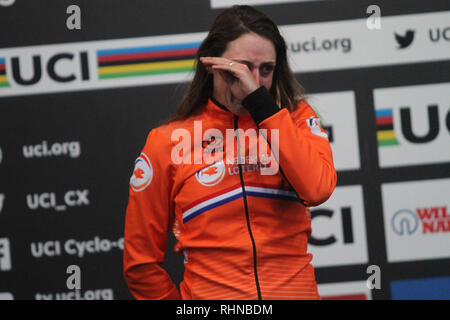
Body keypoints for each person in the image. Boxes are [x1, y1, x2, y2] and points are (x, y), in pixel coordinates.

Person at [123, 5, 337, 300]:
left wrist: (262, 107)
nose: (253, 81)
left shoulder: (295, 120)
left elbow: (317, 189)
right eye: (241, 68)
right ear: (211, 64)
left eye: (266, 70)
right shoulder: (167, 142)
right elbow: (141, 264)